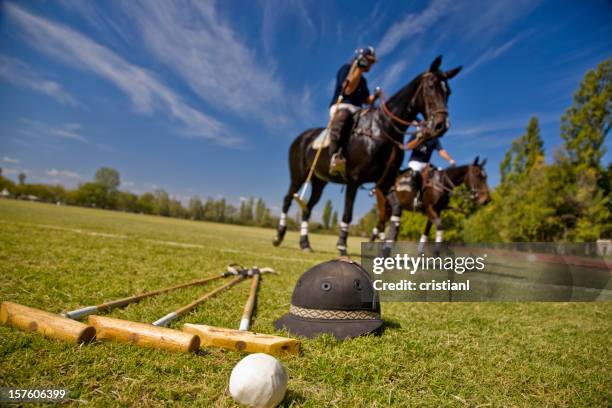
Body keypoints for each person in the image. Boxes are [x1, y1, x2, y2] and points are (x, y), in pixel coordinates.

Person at [328, 46, 380, 175]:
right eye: (370, 61)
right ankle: (335, 156)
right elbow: (348, 90)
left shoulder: (363, 80)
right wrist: (358, 69)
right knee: (343, 116)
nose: (371, 65)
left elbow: (367, 101)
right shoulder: (346, 69)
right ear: (361, 58)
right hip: (343, 106)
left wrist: (376, 96)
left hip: (359, 110)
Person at [403, 133, 456, 209]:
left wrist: (450, 160)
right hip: (415, 162)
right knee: (415, 175)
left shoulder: (434, 138)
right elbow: (408, 147)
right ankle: (415, 199)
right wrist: (418, 139)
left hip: (426, 164)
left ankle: (444, 198)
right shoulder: (416, 134)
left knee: (440, 173)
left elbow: (441, 151)